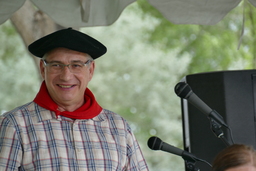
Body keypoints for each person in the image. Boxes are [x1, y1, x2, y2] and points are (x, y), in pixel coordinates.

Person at [0, 28, 149, 171]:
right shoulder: (14, 125)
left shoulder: (118, 128)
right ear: (43, 69)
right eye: (56, 65)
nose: (66, 76)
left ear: (90, 70)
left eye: (76, 65)